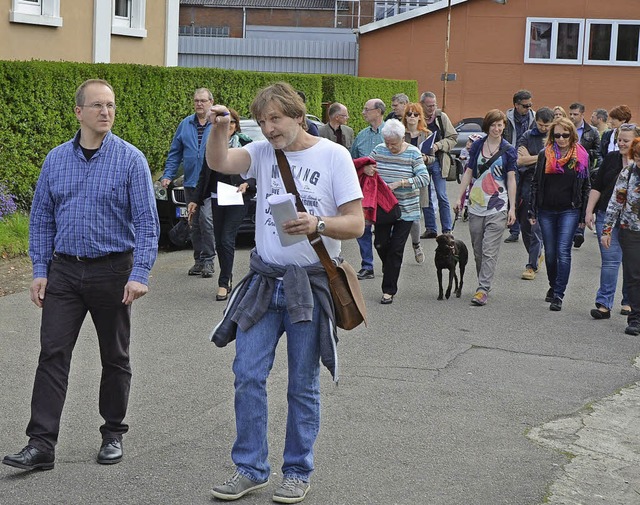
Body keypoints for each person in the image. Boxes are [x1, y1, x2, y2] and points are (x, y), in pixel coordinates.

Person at [205, 82, 364, 503]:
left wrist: (319, 225)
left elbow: (356, 222)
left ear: (298, 114)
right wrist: (220, 126)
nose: (269, 128)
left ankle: (296, 471)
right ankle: (251, 468)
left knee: (301, 385)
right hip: (263, 282)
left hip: (309, 285)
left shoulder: (334, 156)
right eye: (261, 121)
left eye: (275, 119)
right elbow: (219, 161)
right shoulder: (261, 153)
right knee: (247, 375)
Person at [2, 79, 159, 471]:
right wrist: (40, 270)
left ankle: (112, 433)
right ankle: (41, 445)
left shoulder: (130, 159)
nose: (106, 112)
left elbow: (147, 222)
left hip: (113, 270)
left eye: (111, 105)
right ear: (78, 112)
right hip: (65, 272)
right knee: (52, 354)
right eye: (97, 105)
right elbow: (40, 219)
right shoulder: (56, 159)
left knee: (115, 355)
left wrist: (139, 272)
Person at [189, 108, 256, 302]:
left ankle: (223, 282)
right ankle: (227, 275)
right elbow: (204, 174)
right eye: (226, 123)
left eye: (233, 123)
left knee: (227, 238)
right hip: (217, 196)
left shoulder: (245, 145)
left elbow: (256, 172)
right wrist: (195, 199)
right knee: (219, 240)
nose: (229, 127)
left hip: (237, 196)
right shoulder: (213, 145)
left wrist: (247, 183)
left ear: (235, 126)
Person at [454, 109, 517, 306]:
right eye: (494, 125)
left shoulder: (508, 150)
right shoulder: (478, 146)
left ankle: (482, 289)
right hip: (476, 204)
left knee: (490, 250)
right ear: (487, 126)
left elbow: (511, 179)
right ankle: (485, 281)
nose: (497, 128)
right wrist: (460, 198)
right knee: (478, 249)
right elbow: (469, 172)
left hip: (498, 205)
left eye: (500, 125)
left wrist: (512, 207)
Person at [529, 117, 591, 311]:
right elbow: (536, 183)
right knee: (550, 254)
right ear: (552, 136)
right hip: (547, 209)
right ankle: (553, 284)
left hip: (569, 210)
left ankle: (558, 294)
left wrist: (582, 216)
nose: (562, 138)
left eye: (565, 134)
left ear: (572, 135)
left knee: (563, 252)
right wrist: (532, 209)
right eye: (557, 135)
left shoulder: (580, 155)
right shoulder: (544, 154)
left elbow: (586, 186)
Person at [368, 119, 429, 303]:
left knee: (396, 249)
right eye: (387, 142)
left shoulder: (413, 153)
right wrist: (367, 168)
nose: (389, 147)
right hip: (383, 207)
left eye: (393, 144)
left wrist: (402, 183)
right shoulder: (379, 150)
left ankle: (389, 290)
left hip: (406, 209)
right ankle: (390, 266)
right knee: (380, 243)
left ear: (403, 138)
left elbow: (424, 178)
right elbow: (367, 166)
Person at [585, 124, 640, 319]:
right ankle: (603, 304)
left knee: (631, 263)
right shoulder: (611, 159)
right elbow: (597, 186)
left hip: (632, 223)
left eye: (626, 140)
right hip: (606, 216)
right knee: (610, 260)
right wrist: (589, 210)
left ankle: (628, 302)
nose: (622, 143)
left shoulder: (638, 164)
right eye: (619, 140)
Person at [160, 88, 216, 277]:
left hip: (211, 184)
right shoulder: (185, 124)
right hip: (191, 182)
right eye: (196, 101)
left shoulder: (216, 124)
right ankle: (199, 261)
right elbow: (175, 152)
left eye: (203, 100)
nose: (199, 104)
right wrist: (168, 175)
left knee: (207, 221)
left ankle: (209, 260)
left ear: (211, 102)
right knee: (195, 224)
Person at [602, 137, 640, 335]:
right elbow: (616, 202)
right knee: (633, 274)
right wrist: (607, 230)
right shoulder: (628, 172)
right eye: (638, 158)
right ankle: (635, 318)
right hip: (631, 230)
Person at [516, 107, 554, 280]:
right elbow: (519, 160)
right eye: (540, 125)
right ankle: (536, 254)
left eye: (547, 126)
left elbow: (554, 161)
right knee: (524, 224)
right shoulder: (527, 136)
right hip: (526, 183)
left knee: (535, 226)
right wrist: (541, 157)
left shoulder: (555, 138)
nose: (543, 128)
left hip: (547, 184)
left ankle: (531, 265)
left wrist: (531, 158)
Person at [351, 98, 386, 280]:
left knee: (384, 229)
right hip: (364, 190)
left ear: (378, 111)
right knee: (363, 228)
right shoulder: (361, 135)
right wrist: (362, 168)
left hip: (386, 189)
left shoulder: (391, 131)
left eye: (367, 109)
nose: (363, 112)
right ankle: (367, 265)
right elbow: (351, 161)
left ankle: (388, 263)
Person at [419, 91, 457, 238]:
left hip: (438, 161)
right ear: (422, 104)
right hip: (422, 161)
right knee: (425, 196)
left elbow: (453, 137)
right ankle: (431, 229)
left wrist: (438, 145)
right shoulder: (417, 117)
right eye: (429, 106)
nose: (432, 108)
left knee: (442, 195)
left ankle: (447, 230)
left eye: (434, 105)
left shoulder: (441, 117)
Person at [402, 102, 434, 264]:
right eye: (409, 114)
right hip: (402, 179)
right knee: (399, 217)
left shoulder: (426, 135)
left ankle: (416, 245)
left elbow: (433, 158)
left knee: (415, 217)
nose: (412, 117)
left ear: (420, 117)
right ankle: (397, 250)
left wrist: (425, 158)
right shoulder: (400, 134)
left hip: (419, 180)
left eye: (415, 114)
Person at [503, 90, 536, 243]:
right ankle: (514, 229)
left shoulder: (534, 118)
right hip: (512, 161)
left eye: (530, 105)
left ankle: (527, 228)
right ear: (516, 105)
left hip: (529, 162)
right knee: (513, 196)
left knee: (527, 195)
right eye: (525, 105)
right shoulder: (506, 119)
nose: (528, 108)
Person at [568, 102, 602, 248]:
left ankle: (579, 231)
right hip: (567, 171)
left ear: (582, 114)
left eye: (575, 114)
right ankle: (571, 229)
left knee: (583, 198)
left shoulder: (592, 131)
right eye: (570, 114)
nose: (572, 117)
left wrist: (585, 154)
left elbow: (598, 151)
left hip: (584, 171)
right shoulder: (565, 129)